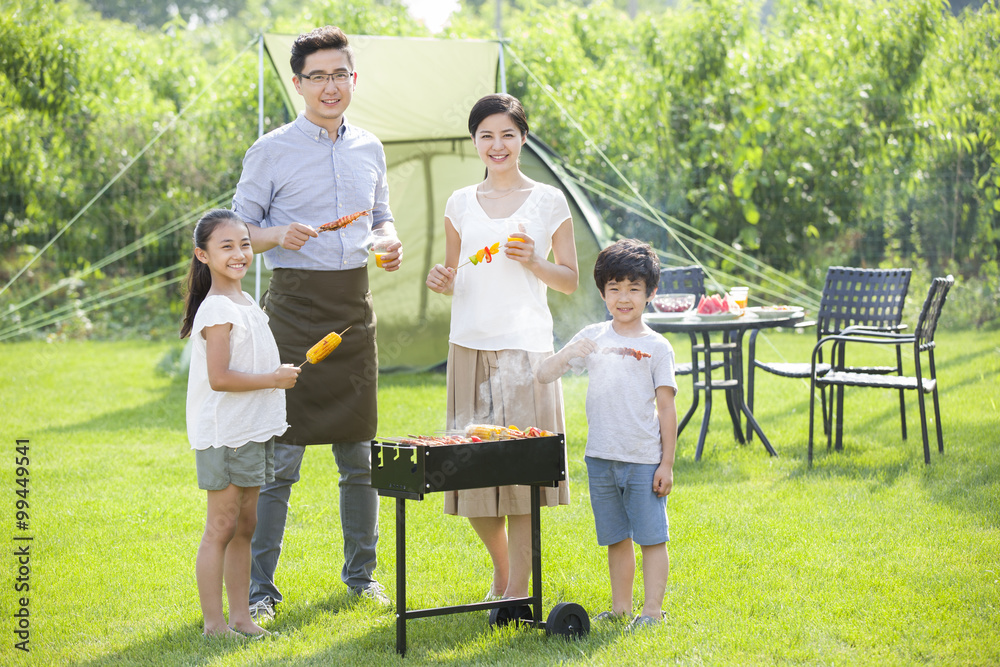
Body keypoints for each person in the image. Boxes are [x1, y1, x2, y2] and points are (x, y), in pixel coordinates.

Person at [231, 25, 403, 622]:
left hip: (353, 311)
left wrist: (388, 240)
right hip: (293, 310)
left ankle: (363, 578)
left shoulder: (371, 147)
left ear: (352, 79)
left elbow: (382, 218)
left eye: (340, 75)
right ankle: (259, 590)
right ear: (299, 83)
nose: (330, 86)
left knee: (360, 458)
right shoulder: (271, 149)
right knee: (282, 461)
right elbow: (235, 235)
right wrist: (278, 234)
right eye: (317, 76)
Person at [425, 93, 578, 601]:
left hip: (526, 352)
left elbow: (571, 281)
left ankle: (515, 592)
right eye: (486, 135)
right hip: (468, 348)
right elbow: (454, 276)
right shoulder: (458, 204)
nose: (497, 145)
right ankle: (507, 572)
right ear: (474, 141)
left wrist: (536, 261)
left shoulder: (549, 201)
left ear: (523, 139)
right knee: (469, 479)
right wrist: (440, 280)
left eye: (507, 135)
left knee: (521, 482)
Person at [536, 238, 677, 629]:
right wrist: (567, 355)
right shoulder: (594, 337)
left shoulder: (657, 347)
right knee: (615, 537)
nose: (624, 297)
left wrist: (666, 462)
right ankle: (620, 609)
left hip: (643, 459)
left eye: (634, 288)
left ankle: (651, 611)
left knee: (651, 538)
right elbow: (544, 374)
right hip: (600, 457)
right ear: (602, 293)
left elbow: (666, 408)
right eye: (614, 288)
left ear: (650, 293)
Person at [180, 209, 301, 638]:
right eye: (226, 246)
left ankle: (241, 618)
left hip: (253, 429)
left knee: (245, 526)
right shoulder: (215, 310)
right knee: (221, 526)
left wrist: (273, 375)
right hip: (228, 434)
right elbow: (220, 377)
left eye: (245, 244)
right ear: (203, 255)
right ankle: (215, 624)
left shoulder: (245, 301)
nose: (239, 254)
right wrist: (273, 379)